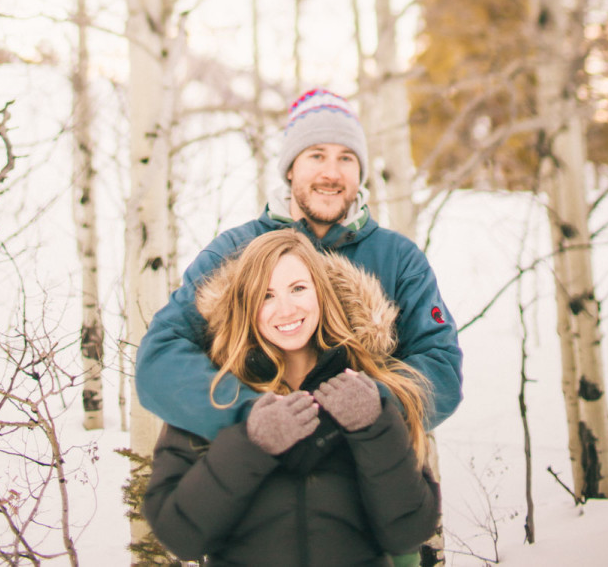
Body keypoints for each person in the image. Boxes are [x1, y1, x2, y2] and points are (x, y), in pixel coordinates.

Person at [135, 88, 463, 440]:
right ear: (290, 168)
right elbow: (160, 357)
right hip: (258, 473)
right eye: (317, 156)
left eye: (347, 158)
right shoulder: (234, 251)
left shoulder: (397, 258)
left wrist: (377, 404)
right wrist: (249, 414)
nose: (332, 174)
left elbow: (441, 368)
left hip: (365, 472)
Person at [143, 229, 441, 567]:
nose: (285, 309)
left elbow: (409, 530)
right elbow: (180, 535)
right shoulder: (215, 395)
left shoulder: (373, 386)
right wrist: (251, 444)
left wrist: (373, 428)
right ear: (246, 305)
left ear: (321, 293)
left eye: (298, 288)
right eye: (266, 295)